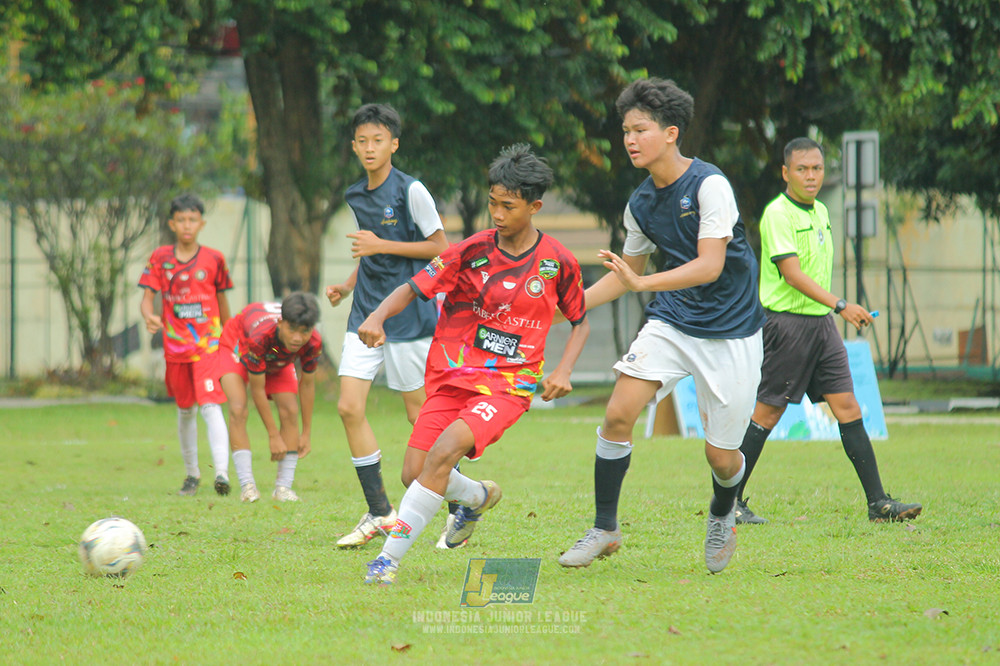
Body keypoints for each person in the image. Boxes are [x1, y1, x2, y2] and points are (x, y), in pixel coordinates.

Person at [558, 77, 765, 574]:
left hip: (731, 331)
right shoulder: (640, 203)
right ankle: (605, 527)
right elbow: (627, 274)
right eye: (626, 130)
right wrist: (567, 306)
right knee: (617, 414)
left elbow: (709, 265)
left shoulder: (710, 185)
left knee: (722, 459)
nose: (630, 140)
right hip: (672, 321)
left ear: (671, 133)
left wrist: (641, 283)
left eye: (641, 130)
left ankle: (722, 512)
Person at [360, 143, 590, 584]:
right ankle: (478, 497)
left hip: (509, 385)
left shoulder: (557, 261)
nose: (497, 214)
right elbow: (413, 286)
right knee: (415, 473)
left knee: (443, 454)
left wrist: (563, 371)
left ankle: (386, 562)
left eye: (508, 206)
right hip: (452, 375)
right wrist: (376, 316)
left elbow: (580, 321)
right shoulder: (471, 250)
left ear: (535, 206)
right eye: (492, 203)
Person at [734, 137, 922, 525]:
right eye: (801, 169)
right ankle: (730, 502)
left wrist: (832, 311)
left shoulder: (820, 211)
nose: (811, 176)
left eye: (817, 168)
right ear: (786, 173)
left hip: (822, 326)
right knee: (767, 414)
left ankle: (878, 504)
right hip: (786, 326)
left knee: (848, 408)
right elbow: (792, 274)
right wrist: (840, 305)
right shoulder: (778, 214)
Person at [325, 103, 450, 549]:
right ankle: (380, 511)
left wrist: (382, 243)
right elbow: (372, 253)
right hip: (363, 313)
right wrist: (346, 283)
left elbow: (440, 249)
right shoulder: (356, 194)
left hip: (409, 314)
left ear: (393, 144)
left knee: (420, 416)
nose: (370, 148)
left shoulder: (411, 191)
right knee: (348, 407)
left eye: (378, 140)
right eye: (362, 141)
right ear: (354, 146)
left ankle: (460, 505)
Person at [139, 194, 234, 497]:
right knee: (185, 410)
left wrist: (229, 338)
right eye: (181, 220)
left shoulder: (214, 259)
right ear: (172, 224)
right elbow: (147, 299)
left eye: (192, 219)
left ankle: (221, 473)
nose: (187, 225)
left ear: (201, 223)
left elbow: (222, 300)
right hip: (176, 349)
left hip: (207, 346)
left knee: (210, 405)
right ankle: (192, 475)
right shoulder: (160, 258)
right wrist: (149, 317)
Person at [217, 293, 322, 503]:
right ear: (280, 323)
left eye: (304, 331)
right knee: (238, 408)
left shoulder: (312, 343)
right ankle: (248, 487)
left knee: (290, 410)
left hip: (276, 354)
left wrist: (307, 433)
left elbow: (307, 384)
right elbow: (258, 390)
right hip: (238, 345)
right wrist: (273, 435)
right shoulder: (260, 338)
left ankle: (283, 489)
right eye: (292, 329)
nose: (297, 338)